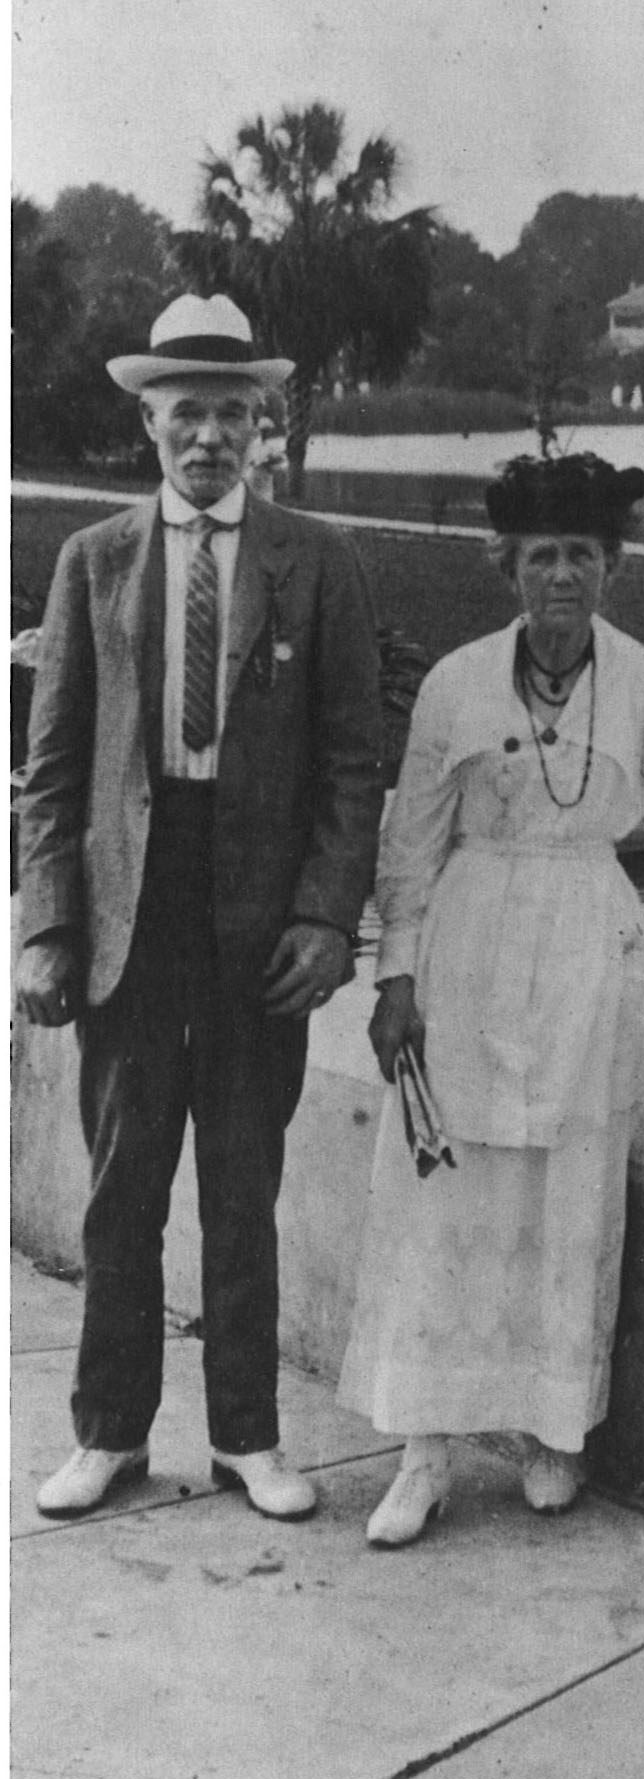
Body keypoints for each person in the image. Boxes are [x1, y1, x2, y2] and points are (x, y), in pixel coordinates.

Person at [339, 452, 644, 1548]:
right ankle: (424, 1447)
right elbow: (409, 847)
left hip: (588, 952)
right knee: (448, 1193)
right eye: (540, 555)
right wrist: (395, 975)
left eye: (580, 555)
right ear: (510, 567)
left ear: (610, 566)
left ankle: (553, 1435)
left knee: (568, 1191)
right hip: (471, 946)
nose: (560, 576)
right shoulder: (455, 682)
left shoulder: (640, 677)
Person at [16, 294, 384, 1522]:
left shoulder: (315, 560)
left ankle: (248, 1437)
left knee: (243, 1178)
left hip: (257, 914)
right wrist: (47, 926)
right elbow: (54, 767)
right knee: (123, 1179)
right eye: (187, 412)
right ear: (149, 421)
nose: (210, 436)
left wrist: (328, 919)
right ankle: (110, 1430)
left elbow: (348, 760)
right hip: (132, 903)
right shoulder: (96, 561)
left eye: (232, 412)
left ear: (262, 424)